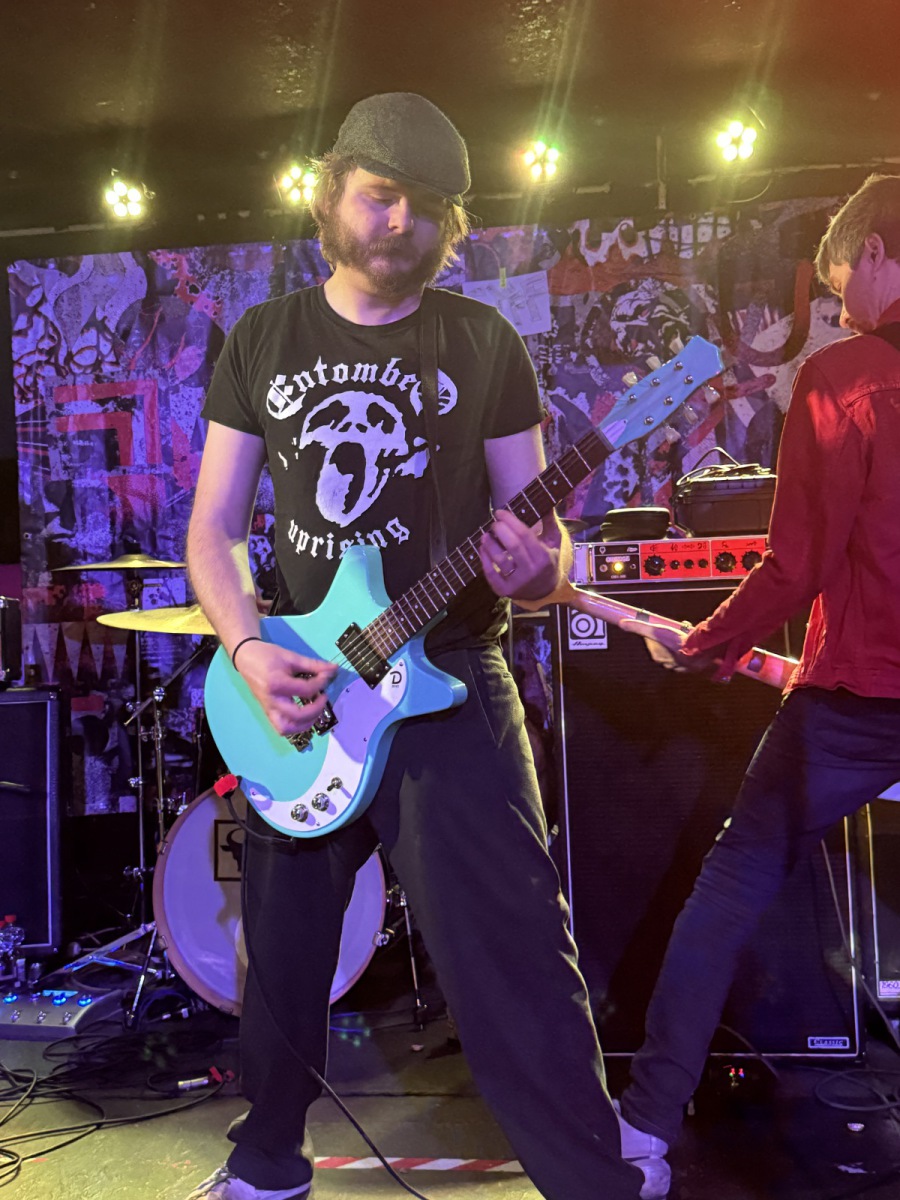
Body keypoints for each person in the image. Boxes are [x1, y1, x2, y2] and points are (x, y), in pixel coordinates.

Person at [184, 93, 643, 1200]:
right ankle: (266, 1161)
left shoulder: (483, 343)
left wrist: (537, 570)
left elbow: (544, 541)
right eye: (382, 196)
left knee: (514, 944)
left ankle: (593, 1180)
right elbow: (213, 526)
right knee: (282, 953)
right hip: (303, 680)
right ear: (332, 193)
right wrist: (247, 651)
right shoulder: (264, 339)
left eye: (428, 207)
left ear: (452, 226)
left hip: (451, 677)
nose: (401, 223)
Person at [616, 172, 900, 1198]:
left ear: (875, 252)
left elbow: (798, 563)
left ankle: (642, 1132)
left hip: (859, 700)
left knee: (732, 887)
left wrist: (706, 642)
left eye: (839, 284)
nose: (838, 310)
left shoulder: (844, 376)